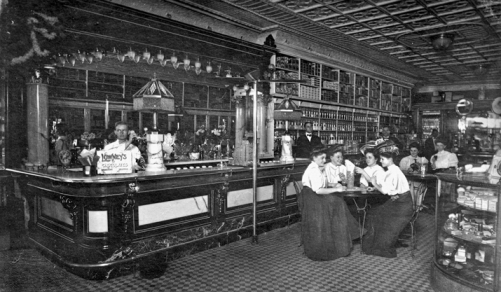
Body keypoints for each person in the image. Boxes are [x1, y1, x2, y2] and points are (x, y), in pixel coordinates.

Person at [299, 147, 361, 261]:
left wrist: (334, 185)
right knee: (338, 203)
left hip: (315, 197)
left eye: (324, 157)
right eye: (321, 158)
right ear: (314, 158)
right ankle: (347, 237)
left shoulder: (318, 167)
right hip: (312, 199)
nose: (324, 160)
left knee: (338, 203)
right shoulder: (313, 169)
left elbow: (325, 183)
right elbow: (318, 190)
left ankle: (345, 238)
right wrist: (336, 190)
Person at [362, 141, 413, 258]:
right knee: (376, 213)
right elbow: (389, 189)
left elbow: (385, 191)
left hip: (403, 206)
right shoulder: (392, 170)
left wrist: (374, 183)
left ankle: (379, 247)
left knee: (377, 215)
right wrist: (375, 186)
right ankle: (376, 245)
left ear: (390, 159)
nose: (380, 161)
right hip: (400, 201)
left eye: (382, 159)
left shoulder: (393, 172)